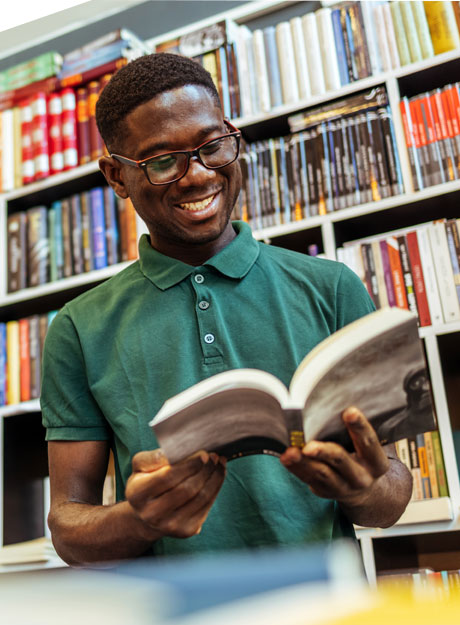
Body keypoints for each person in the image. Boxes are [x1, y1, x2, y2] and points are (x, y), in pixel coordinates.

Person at [40, 53, 412, 566]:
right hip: (171, 616)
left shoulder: (333, 288)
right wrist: (138, 519)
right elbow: (67, 525)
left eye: (211, 146)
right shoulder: (78, 328)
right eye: (162, 161)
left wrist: (362, 489)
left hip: (326, 611)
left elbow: (390, 496)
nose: (196, 177)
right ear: (117, 176)